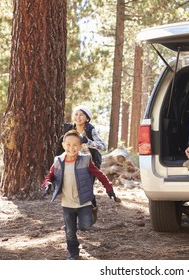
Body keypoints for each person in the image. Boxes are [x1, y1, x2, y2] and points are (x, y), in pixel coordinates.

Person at [42, 129, 120, 260]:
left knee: (85, 226)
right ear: (63, 145)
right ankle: (73, 254)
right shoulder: (58, 161)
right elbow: (49, 176)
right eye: (68, 144)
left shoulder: (85, 160)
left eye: (75, 145)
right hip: (67, 203)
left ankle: (92, 212)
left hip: (84, 201)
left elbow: (100, 175)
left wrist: (109, 189)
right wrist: (48, 184)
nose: (71, 148)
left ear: (80, 146)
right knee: (70, 231)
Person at [56, 105, 107, 218]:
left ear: (87, 118)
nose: (78, 117)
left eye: (81, 114)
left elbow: (103, 147)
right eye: (76, 114)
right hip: (71, 163)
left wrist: (87, 141)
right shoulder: (68, 128)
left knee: (86, 189)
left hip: (88, 164)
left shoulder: (90, 129)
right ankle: (74, 216)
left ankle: (92, 212)